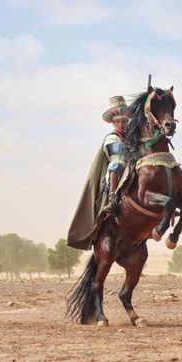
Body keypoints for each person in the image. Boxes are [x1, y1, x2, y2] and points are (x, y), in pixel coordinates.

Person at [67, 96, 130, 250]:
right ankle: (113, 198)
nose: (122, 124)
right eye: (118, 122)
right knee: (117, 163)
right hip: (118, 170)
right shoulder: (111, 138)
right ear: (113, 123)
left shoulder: (131, 136)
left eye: (124, 121)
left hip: (131, 167)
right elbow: (117, 154)